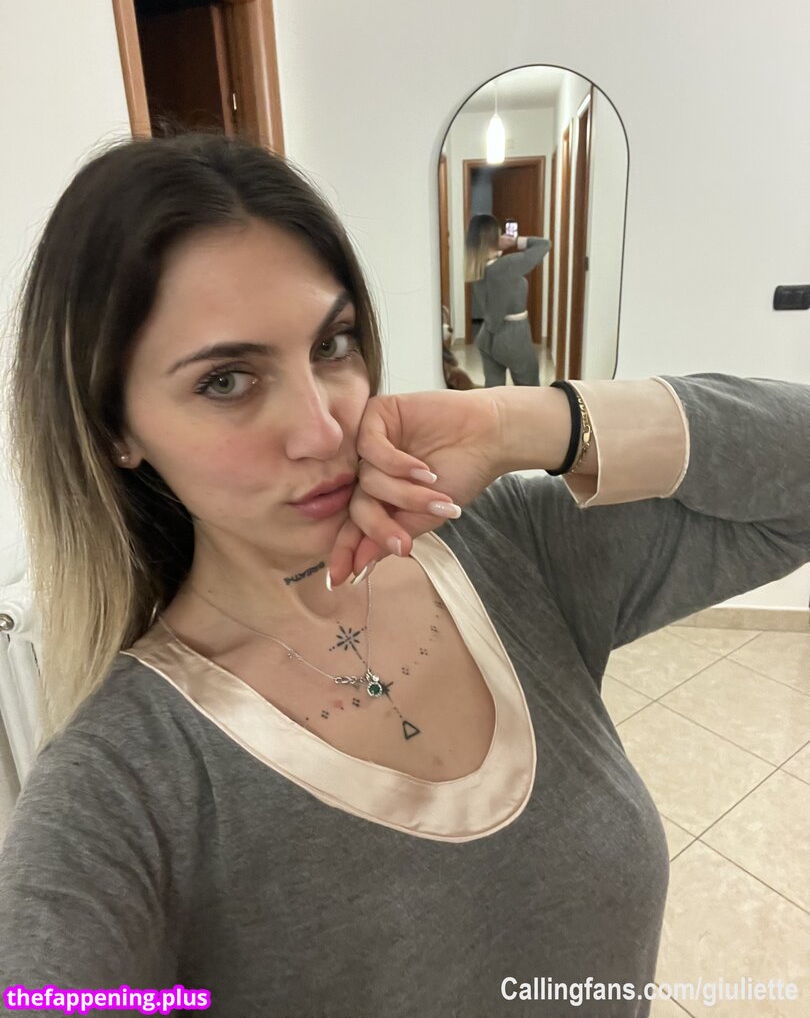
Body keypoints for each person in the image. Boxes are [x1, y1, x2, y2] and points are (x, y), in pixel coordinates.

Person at [0, 131, 807, 1018]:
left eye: (333, 344)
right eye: (227, 380)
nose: (323, 429)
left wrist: (525, 423)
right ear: (115, 428)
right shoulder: (121, 788)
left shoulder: (513, 550)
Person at [464, 213, 551, 387]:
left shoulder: (475, 268)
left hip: (486, 335)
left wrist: (497, 246)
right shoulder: (506, 266)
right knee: (530, 390)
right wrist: (515, 241)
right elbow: (544, 244)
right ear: (494, 238)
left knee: (494, 392)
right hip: (513, 335)